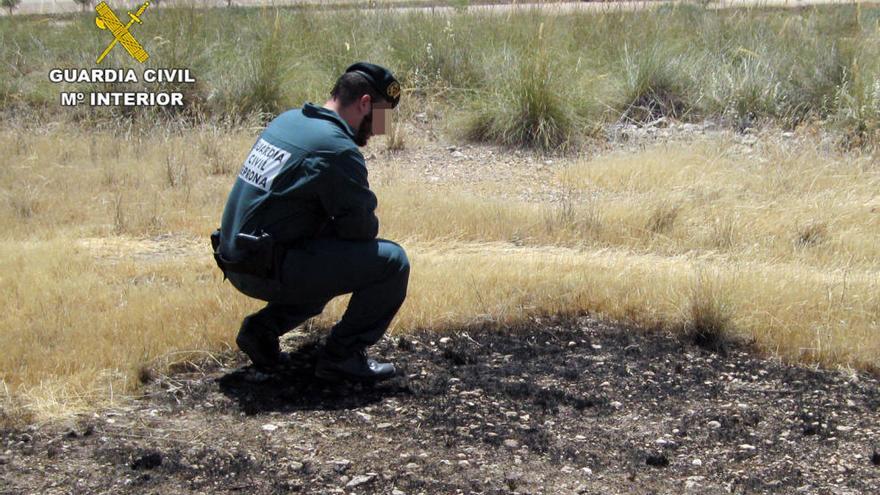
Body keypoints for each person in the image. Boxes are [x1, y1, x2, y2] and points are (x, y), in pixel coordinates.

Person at [211, 62, 409, 383]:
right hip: (265, 270)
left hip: (237, 259)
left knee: (327, 256)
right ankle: (342, 358)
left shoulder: (289, 121)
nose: (379, 131)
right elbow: (361, 230)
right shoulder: (336, 148)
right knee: (392, 262)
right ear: (364, 104)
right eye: (381, 118)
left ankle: (260, 332)